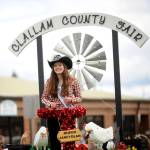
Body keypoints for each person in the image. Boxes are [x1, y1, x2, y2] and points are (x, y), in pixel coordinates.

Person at [41, 54, 82, 150]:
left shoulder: (73, 80)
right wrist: (50, 104)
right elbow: (43, 98)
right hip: (54, 115)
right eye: (55, 65)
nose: (57, 67)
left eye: (60, 65)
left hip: (68, 115)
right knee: (54, 141)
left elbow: (79, 98)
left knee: (68, 141)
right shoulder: (49, 81)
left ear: (64, 66)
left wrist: (71, 99)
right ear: (53, 68)